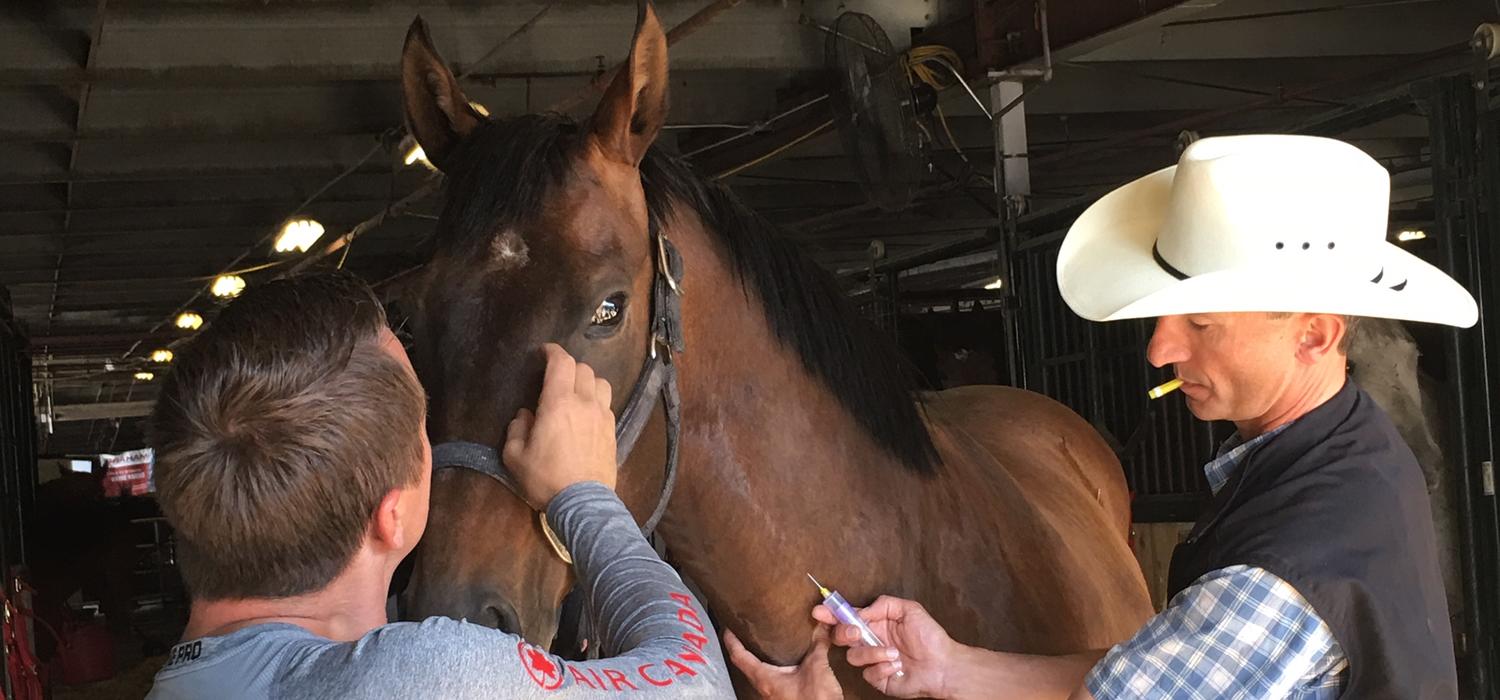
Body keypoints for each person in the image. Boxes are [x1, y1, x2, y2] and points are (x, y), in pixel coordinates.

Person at [727, 134, 1474, 699]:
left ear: (1313, 333)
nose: (1158, 349)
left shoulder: (1290, 568)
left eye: (1200, 325)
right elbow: (1155, 669)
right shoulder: (1349, 447)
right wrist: (949, 665)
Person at [144, 270, 731, 699]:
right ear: (390, 515)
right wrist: (583, 493)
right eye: (422, 430)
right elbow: (697, 679)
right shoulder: (414, 679)